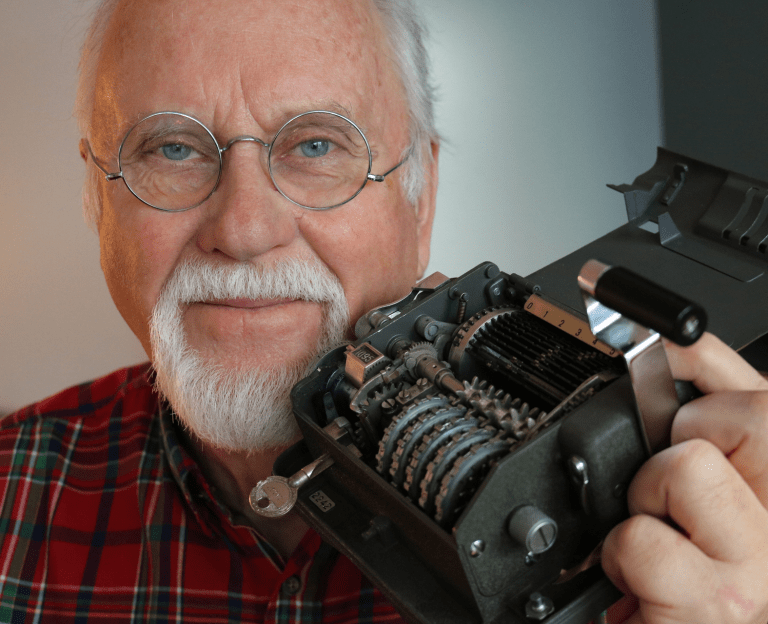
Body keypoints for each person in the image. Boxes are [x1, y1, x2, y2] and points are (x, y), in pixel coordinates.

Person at [1, 0, 767, 623]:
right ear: (97, 198)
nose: (243, 229)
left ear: (420, 197)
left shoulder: (693, 544)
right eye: (172, 149)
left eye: (316, 145)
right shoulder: (14, 491)